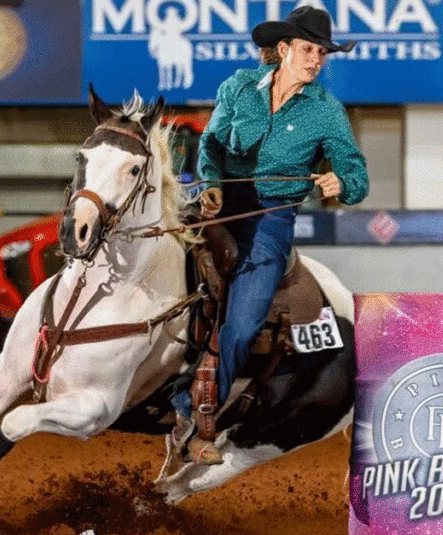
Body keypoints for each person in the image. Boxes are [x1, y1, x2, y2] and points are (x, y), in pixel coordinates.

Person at [169, 6, 370, 464]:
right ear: (283, 50)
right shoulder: (238, 86)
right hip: (215, 207)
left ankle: (192, 412)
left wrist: (342, 183)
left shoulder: (326, 111)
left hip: (270, 222)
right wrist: (213, 185)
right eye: (307, 49)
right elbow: (213, 146)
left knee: (242, 323)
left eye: (323, 52)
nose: (316, 59)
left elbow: (356, 175)